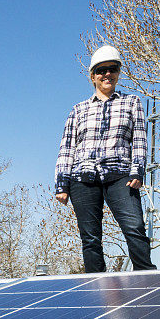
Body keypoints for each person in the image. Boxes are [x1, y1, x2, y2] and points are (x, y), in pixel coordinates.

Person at [55, 45, 154, 272]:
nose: (107, 74)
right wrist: (62, 184)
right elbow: (67, 147)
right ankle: (96, 291)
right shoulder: (78, 110)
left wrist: (137, 171)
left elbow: (139, 140)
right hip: (83, 177)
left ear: (118, 73)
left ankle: (146, 281)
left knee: (135, 228)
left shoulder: (132, 103)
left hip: (120, 175)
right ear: (93, 76)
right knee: (90, 239)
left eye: (112, 69)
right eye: (101, 71)